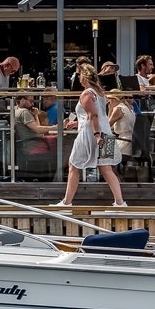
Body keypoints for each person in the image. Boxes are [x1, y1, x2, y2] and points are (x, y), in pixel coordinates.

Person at [53, 63, 126, 208]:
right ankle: (120, 202)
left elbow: (93, 116)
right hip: (107, 133)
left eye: (80, 75)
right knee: (107, 169)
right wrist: (76, 123)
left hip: (90, 134)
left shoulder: (87, 94)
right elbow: (95, 115)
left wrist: (97, 135)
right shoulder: (100, 92)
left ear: (84, 77)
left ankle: (66, 202)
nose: (78, 77)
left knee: (74, 165)